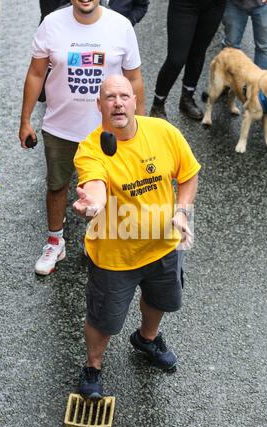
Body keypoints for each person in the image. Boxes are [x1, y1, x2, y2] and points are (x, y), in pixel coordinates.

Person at [73, 75, 201, 399]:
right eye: (109, 97)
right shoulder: (91, 148)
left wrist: (183, 211)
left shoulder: (163, 132)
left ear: (134, 100)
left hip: (163, 246)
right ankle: (93, 366)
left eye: (123, 96)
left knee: (160, 300)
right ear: (99, 105)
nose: (117, 102)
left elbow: (188, 174)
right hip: (115, 257)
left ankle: (147, 338)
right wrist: (93, 203)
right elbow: (95, 185)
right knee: (104, 321)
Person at [19, 0, 145, 276]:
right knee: (57, 186)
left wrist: (142, 125)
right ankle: (55, 242)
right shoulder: (52, 23)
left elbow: (133, 78)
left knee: (107, 188)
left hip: (105, 129)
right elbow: (36, 73)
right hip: (60, 127)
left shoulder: (120, 26)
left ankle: (96, 237)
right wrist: (25, 120)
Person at [150, 0, 226, 121]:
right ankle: (157, 105)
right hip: (185, 5)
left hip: (215, 5)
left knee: (198, 53)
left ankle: (187, 98)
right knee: (176, 59)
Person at [222, 0, 267, 70]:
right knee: (230, 46)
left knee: (264, 48)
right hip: (234, 3)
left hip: (266, 5)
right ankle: (229, 78)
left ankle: (260, 80)